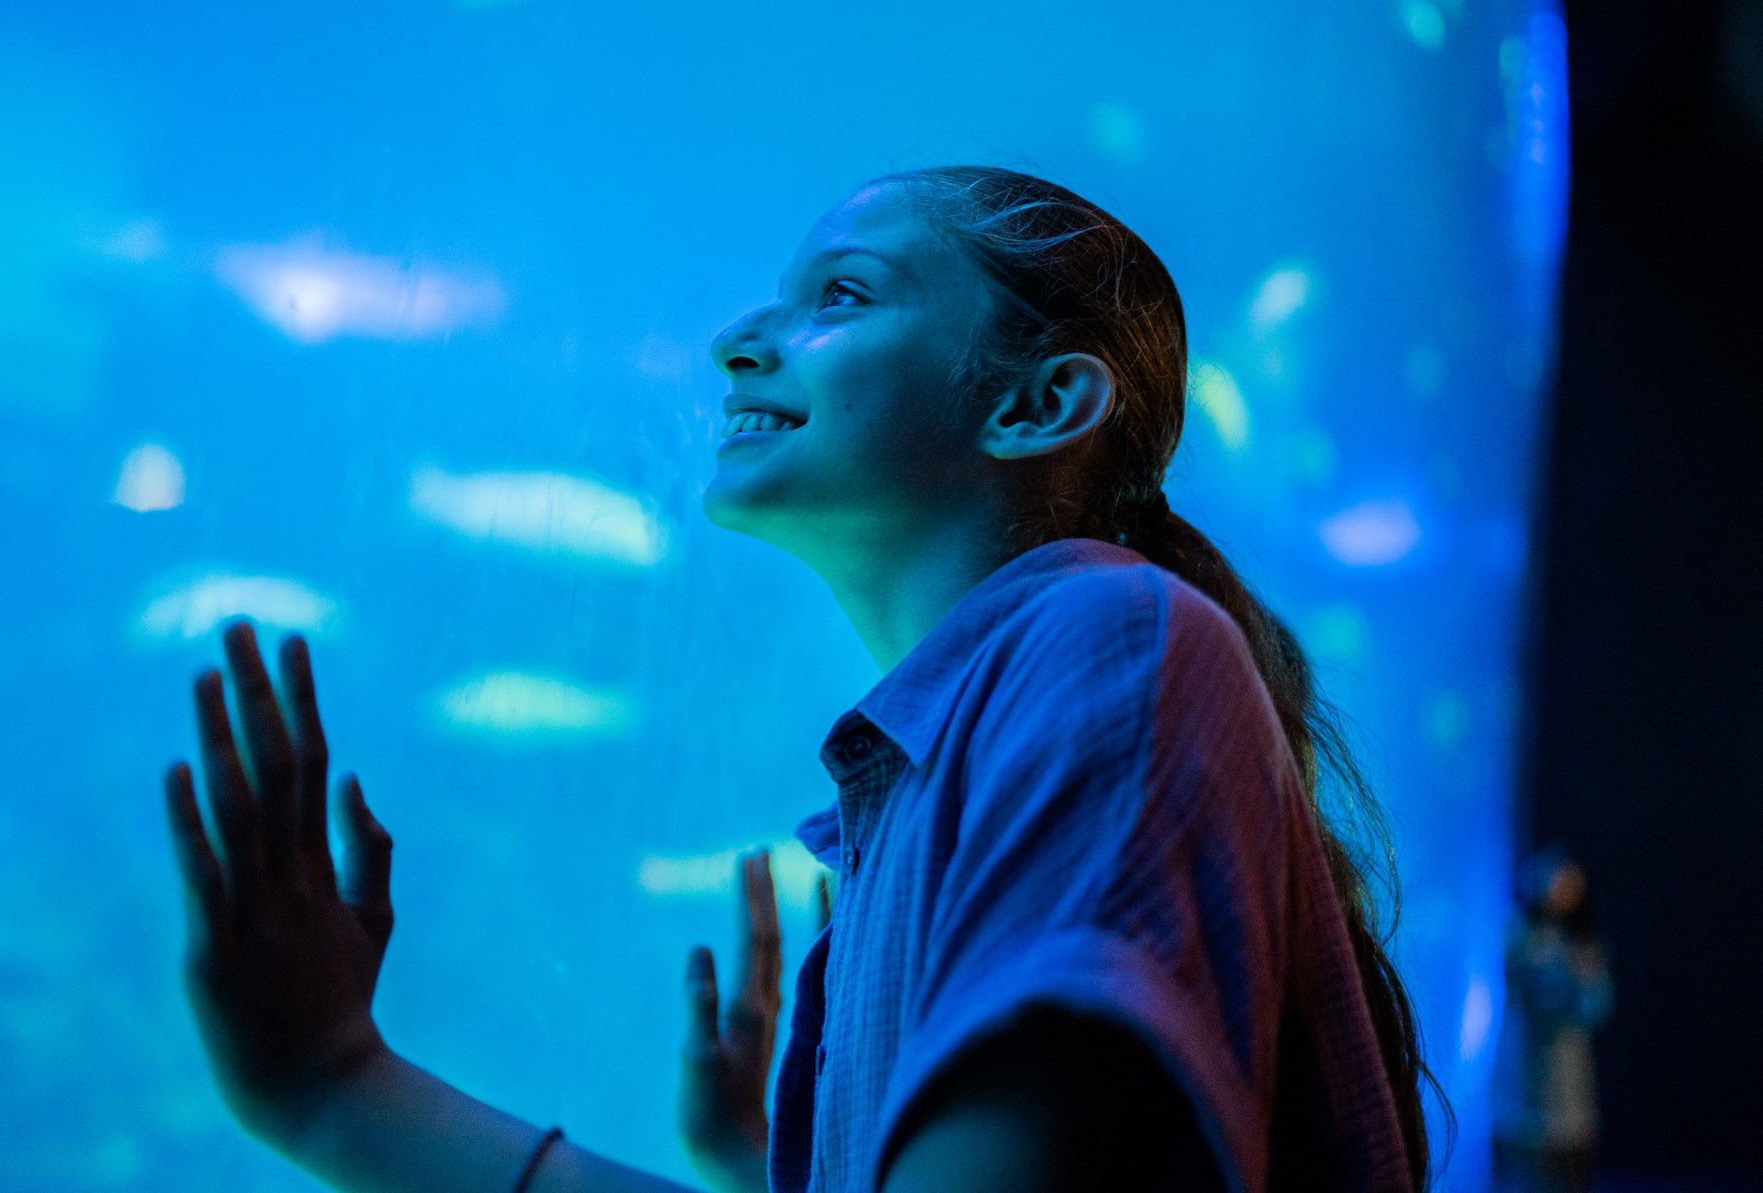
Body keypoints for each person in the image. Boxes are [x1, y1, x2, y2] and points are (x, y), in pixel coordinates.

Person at [161, 166, 1443, 1192]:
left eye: (842, 295)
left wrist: (337, 1087)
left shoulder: (1107, 641)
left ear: (1042, 402)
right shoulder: (960, 744)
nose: (735, 342)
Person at [1493, 849, 1613, 1192]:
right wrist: (1573, 977)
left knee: (1571, 1168)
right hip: (1527, 1079)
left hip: (1571, 1078)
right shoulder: (1520, 938)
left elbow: (1595, 1006)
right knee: (1527, 1174)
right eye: (1559, 885)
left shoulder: (1583, 944)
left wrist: (1585, 979)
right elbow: (1544, 997)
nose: (1565, 894)